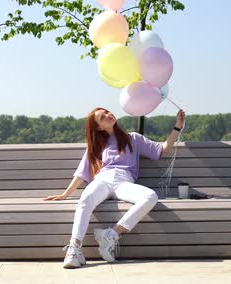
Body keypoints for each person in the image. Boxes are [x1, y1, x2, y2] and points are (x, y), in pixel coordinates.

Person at [44, 107, 186, 269]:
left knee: (150, 197)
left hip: (123, 181)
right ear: (98, 127)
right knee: (85, 200)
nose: (108, 115)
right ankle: (74, 248)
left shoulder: (133, 138)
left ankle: (111, 234)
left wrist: (178, 126)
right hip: (102, 180)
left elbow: (163, 150)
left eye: (107, 112)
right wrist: (65, 194)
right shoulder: (97, 144)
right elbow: (83, 172)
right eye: (102, 117)